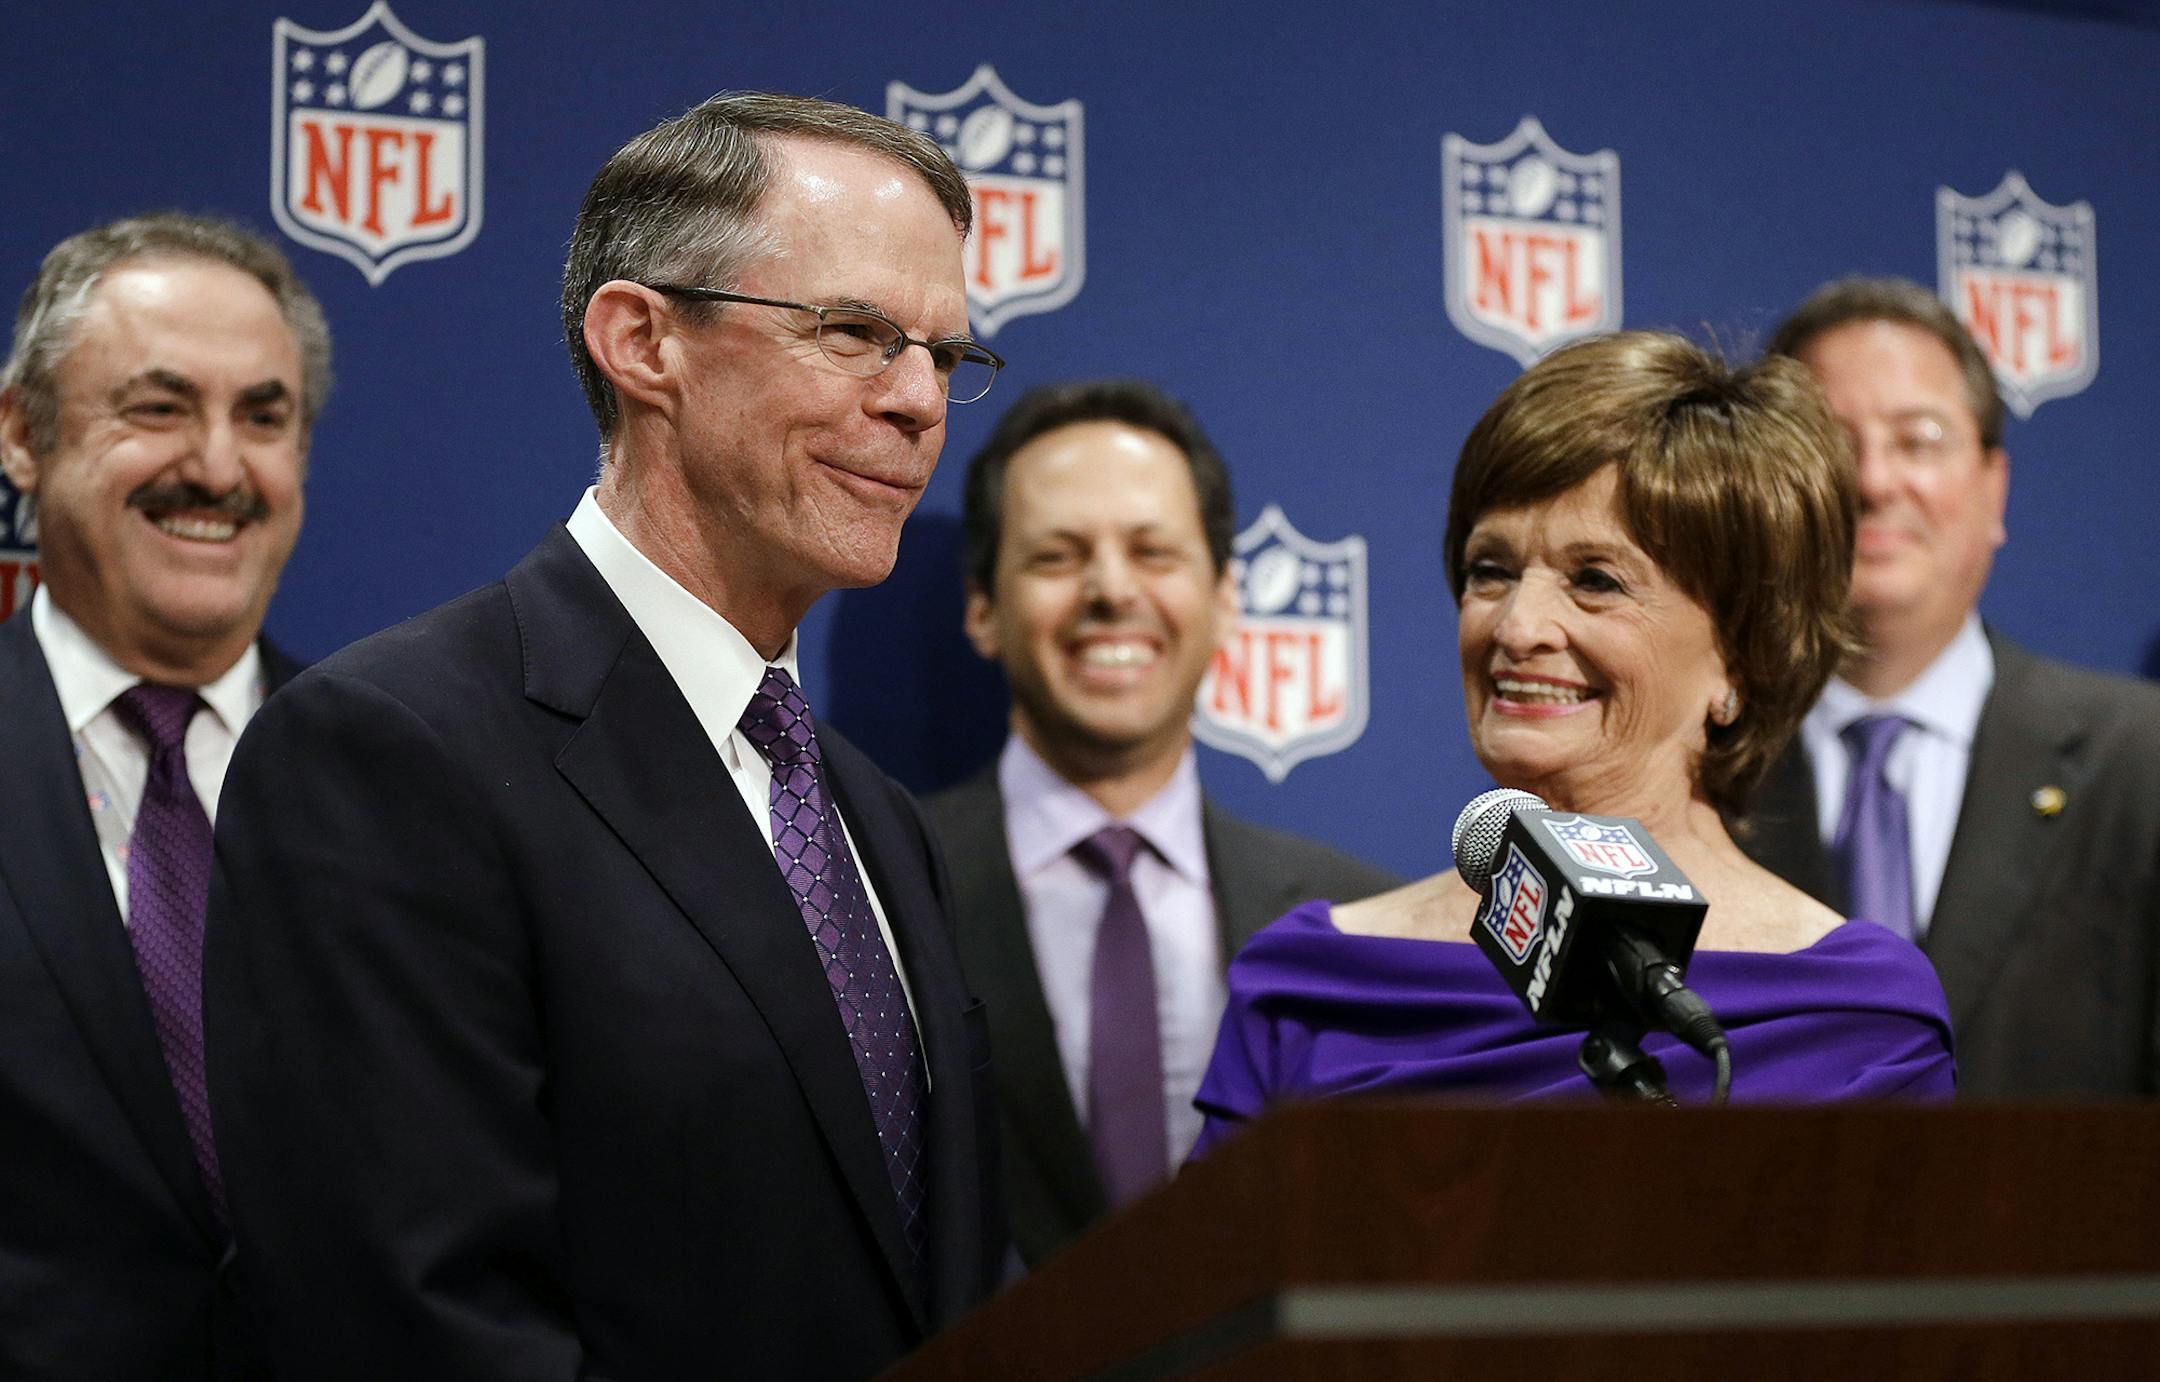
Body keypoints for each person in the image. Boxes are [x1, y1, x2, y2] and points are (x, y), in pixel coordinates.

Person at [204, 93, 1005, 1379]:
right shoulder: (389, 752)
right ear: (642, 341)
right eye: (856, 333)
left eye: (946, 356)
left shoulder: (875, 815)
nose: (920, 401)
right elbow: (415, 1324)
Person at [1194, 332, 1954, 1142]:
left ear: (1742, 655)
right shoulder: (1316, 983)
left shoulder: (1855, 1019)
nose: (1518, 627)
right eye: (1492, 570)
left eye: (1596, 581)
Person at [925, 379, 1397, 1268]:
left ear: (1226, 597)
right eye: (1058, 556)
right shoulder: (871, 893)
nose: (1111, 591)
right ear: (983, 608)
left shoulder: (1357, 919)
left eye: (1154, 552)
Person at [0, 212, 327, 1379]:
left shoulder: (400, 781)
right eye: (157, 406)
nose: (219, 468)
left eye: (264, 417)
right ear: (22, 433)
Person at [1743, 276, 2160, 1096]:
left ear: (1993, 488)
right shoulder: (1694, 770)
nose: (1872, 481)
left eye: (1919, 439)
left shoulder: (2141, 760)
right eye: (1828, 441)